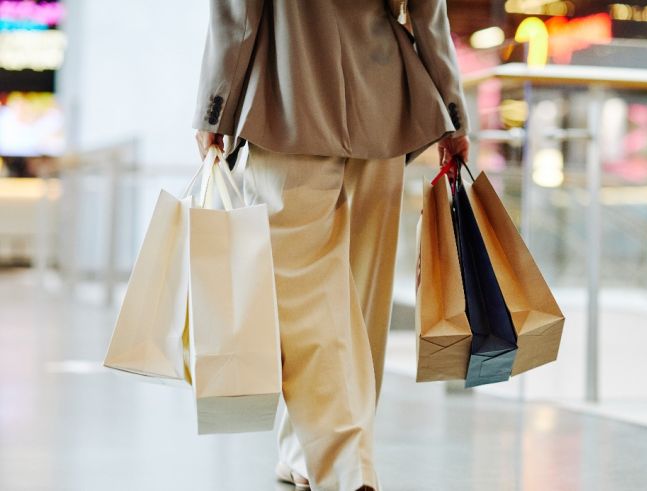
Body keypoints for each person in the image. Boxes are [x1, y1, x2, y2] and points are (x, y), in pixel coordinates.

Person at [192, 1, 469, 490]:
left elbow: (238, 14)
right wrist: (450, 109)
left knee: (300, 297)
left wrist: (216, 104)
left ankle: (342, 462)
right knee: (361, 296)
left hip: (287, 96)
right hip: (384, 100)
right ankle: (311, 451)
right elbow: (428, 11)